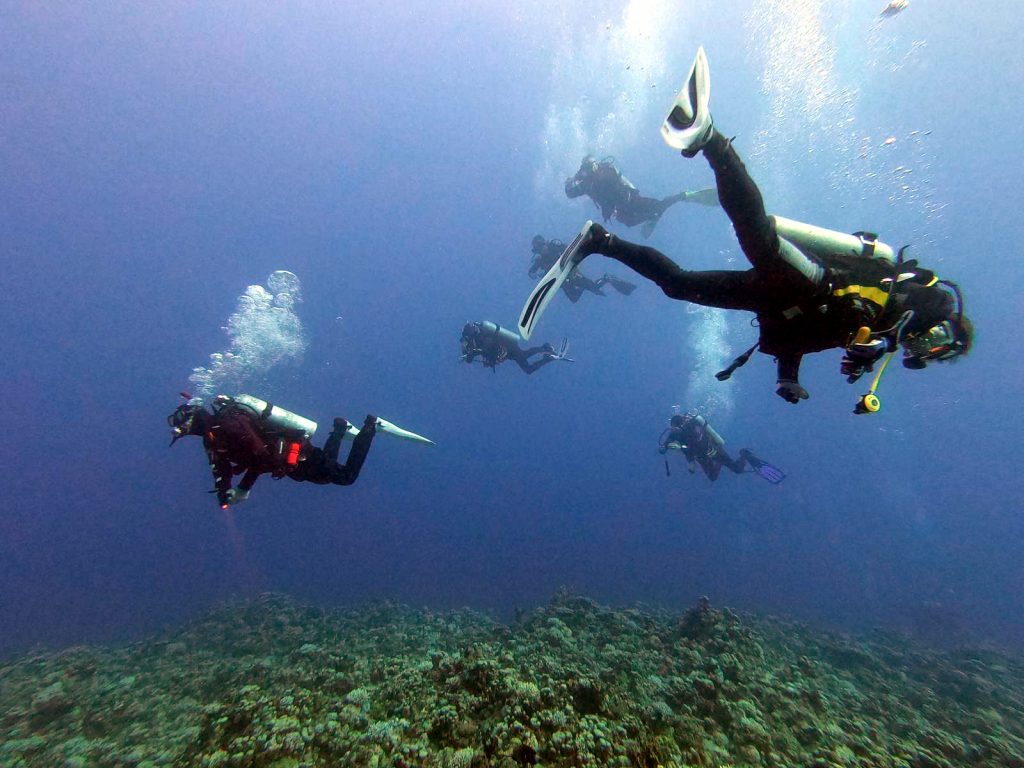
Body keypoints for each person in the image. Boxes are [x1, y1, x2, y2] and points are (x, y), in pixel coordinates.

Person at [535, 49, 972, 409]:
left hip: (776, 302)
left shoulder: (883, 338)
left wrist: (788, 378)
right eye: (935, 348)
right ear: (942, 334)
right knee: (756, 235)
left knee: (679, 285)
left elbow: (797, 342)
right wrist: (873, 337)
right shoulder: (926, 301)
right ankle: (707, 137)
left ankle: (601, 241)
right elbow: (881, 298)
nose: (923, 353)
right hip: (818, 282)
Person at [168, 393, 377, 508]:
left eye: (184, 428)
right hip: (292, 463)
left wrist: (243, 488)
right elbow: (220, 467)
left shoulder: (229, 426)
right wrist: (224, 490)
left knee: (346, 477)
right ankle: (339, 429)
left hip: (297, 455)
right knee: (326, 472)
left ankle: (371, 426)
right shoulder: (212, 439)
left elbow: (260, 457)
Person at [564, 155, 718, 238]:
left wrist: (576, 180)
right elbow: (571, 194)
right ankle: (653, 216)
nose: (593, 170)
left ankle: (684, 196)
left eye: (592, 166)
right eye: (589, 168)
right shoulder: (590, 182)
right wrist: (570, 182)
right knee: (631, 222)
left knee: (658, 207)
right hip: (621, 208)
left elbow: (614, 179)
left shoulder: (602, 173)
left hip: (629, 200)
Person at [658, 412, 784, 483]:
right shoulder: (675, 434)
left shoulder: (692, 423)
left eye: (680, 426)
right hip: (701, 457)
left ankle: (744, 454)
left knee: (738, 470)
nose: (680, 429)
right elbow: (668, 446)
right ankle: (723, 461)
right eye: (677, 428)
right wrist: (665, 447)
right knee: (713, 477)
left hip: (713, 450)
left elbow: (710, 436)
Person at [529, 235, 636, 302]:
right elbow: (531, 272)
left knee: (595, 288)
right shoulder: (540, 260)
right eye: (538, 249)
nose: (541, 250)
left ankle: (607, 278)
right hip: (562, 282)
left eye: (541, 246)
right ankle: (585, 286)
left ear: (544, 244)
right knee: (574, 298)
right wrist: (536, 275)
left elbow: (570, 250)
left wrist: (574, 264)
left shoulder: (554, 246)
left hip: (572, 274)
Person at [460, 321, 571, 374]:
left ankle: (549, 357)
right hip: (509, 352)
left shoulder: (483, 338)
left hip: (510, 348)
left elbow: (485, 348)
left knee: (528, 369)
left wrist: (472, 353)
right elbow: (472, 357)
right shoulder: (479, 342)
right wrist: (468, 355)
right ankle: (544, 348)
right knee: (525, 354)